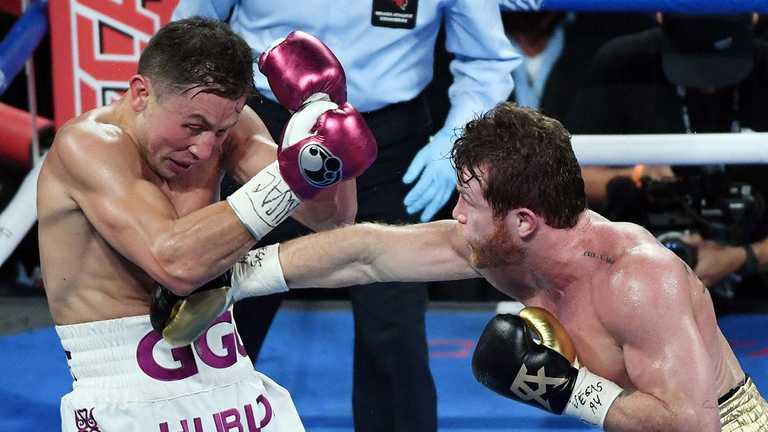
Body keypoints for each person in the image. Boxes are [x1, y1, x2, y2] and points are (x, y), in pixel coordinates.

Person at [157, 102, 767, 431]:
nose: (454, 213)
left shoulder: (637, 279)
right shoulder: (501, 251)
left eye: (468, 202)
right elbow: (365, 251)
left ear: (524, 220)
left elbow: (694, 424)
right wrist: (233, 274)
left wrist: (566, 390)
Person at [171, 2, 518, 430]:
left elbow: (487, 57)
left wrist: (455, 136)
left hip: (389, 150)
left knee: (392, 334)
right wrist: (208, 123)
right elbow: (187, 37)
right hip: (260, 132)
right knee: (221, 319)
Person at [37, 17, 376, 431]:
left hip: (223, 374)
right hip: (123, 392)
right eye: (193, 126)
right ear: (141, 93)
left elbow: (332, 218)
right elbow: (174, 263)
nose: (204, 148)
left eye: (221, 130)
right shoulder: (90, 145)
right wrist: (296, 175)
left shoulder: (224, 129)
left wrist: (326, 119)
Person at [568, 13, 768, 310]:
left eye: (721, 65)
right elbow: (567, 175)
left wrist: (745, 257)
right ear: (660, 17)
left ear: (754, 17)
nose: (709, 86)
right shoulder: (624, 63)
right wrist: (636, 177)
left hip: (758, 284)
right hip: (633, 280)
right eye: (695, 63)